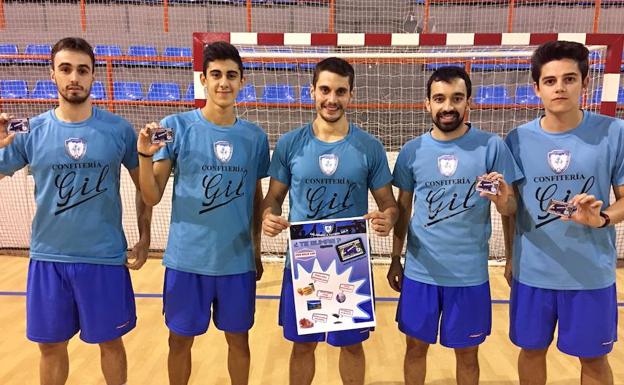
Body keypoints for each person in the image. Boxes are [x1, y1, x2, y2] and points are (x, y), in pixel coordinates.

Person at [0, 37, 151, 385]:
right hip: (48, 259)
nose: (74, 77)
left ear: (93, 76)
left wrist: (144, 237)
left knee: (111, 343)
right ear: (51, 73)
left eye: (82, 70)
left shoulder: (118, 130)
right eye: (65, 69)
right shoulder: (29, 131)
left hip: (103, 258)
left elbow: (145, 189)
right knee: (50, 347)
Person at [136, 41, 269, 385]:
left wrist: (255, 250)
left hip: (236, 263)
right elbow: (151, 195)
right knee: (179, 340)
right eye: (216, 75)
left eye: (231, 75)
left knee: (239, 340)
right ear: (203, 80)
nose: (223, 82)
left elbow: (254, 196)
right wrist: (145, 157)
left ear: (242, 81)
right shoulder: (175, 126)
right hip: (186, 261)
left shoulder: (255, 138)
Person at [261, 57, 398, 385]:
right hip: (302, 264)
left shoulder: (370, 147)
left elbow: (389, 205)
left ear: (350, 95)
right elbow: (272, 199)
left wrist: (387, 220)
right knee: (303, 347)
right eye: (325, 89)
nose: (332, 98)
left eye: (340, 91)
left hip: (350, 262)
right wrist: (268, 217)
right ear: (312, 91)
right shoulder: (290, 144)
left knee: (351, 348)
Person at [388, 66, 522, 385]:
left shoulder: (491, 147)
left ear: (468, 102)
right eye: (440, 98)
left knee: (467, 353)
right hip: (421, 272)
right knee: (415, 347)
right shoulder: (412, 151)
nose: (448, 106)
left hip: (469, 274)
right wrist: (395, 256)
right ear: (427, 104)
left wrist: (510, 256)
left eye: (456, 98)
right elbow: (404, 207)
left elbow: (510, 208)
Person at [503, 40, 623, 385]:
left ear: (585, 83)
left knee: (594, 359)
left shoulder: (614, 133)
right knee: (531, 352)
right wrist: (511, 257)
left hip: (590, 274)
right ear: (537, 88)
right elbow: (511, 209)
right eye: (551, 81)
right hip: (533, 273)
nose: (560, 88)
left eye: (569, 79)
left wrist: (602, 218)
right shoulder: (517, 140)